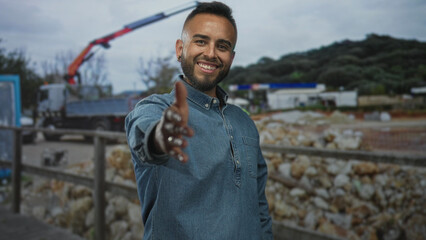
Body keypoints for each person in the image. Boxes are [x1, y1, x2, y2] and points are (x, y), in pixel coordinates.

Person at [125, 1, 273, 239]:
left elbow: (259, 206)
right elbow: (146, 138)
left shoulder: (244, 122)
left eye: (222, 46)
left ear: (231, 58)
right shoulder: (155, 109)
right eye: (201, 41)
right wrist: (160, 138)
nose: (211, 53)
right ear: (180, 49)